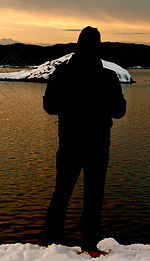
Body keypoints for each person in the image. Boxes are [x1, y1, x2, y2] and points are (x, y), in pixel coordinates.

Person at [43, 26, 126, 255]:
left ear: (77, 44)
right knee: (93, 197)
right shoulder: (108, 76)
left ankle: (52, 245)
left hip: (69, 144)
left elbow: (49, 107)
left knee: (61, 193)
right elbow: (120, 111)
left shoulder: (62, 74)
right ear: (98, 46)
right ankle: (90, 246)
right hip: (98, 145)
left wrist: (71, 105)